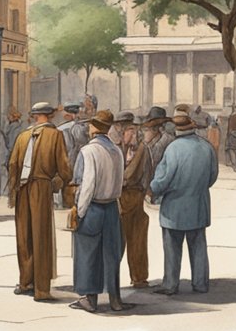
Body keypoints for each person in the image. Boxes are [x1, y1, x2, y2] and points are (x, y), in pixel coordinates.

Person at [8, 102, 72, 302]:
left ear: (35, 116)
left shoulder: (22, 136)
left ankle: (26, 282)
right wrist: (59, 183)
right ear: (50, 116)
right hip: (42, 188)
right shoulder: (55, 136)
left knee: (24, 236)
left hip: (22, 188)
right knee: (41, 237)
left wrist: (13, 191)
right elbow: (64, 166)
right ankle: (42, 289)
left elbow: (12, 165)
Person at [150, 111, 219, 296]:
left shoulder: (173, 149)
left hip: (174, 210)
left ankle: (171, 284)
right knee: (198, 246)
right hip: (199, 206)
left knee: (172, 248)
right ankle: (201, 284)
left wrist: (153, 189)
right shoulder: (207, 148)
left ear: (177, 129)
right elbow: (212, 177)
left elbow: (161, 181)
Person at [69, 110, 129, 313]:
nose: (88, 127)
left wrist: (80, 211)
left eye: (90, 124)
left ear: (94, 127)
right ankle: (115, 299)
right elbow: (120, 183)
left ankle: (90, 299)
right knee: (111, 254)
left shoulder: (88, 151)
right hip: (112, 207)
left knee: (88, 253)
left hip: (93, 207)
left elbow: (86, 185)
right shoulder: (117, 150)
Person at [117, 111, 155, 289]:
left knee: (138, 240)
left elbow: (145, 174)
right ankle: (111, 278)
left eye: (133, 130)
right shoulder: (117, 148)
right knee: (117, 242)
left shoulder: (142, 149)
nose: (131, 134)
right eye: (128, 130)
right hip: (120, 200)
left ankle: (139, 278)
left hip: (135, 197)